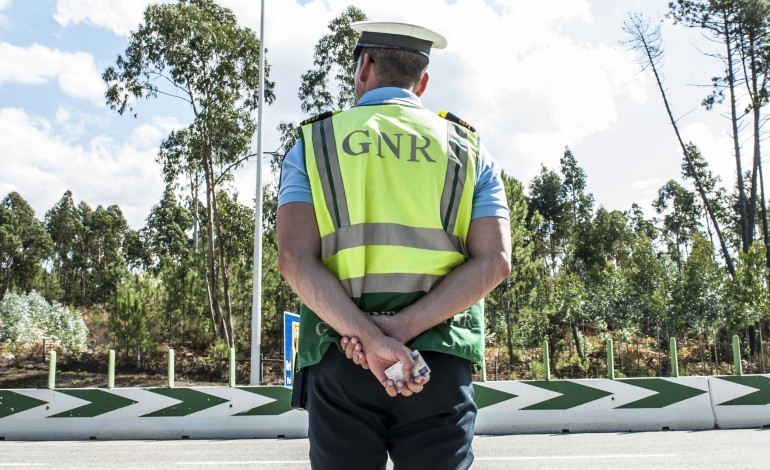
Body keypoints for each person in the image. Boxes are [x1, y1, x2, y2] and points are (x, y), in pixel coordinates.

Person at [277, 20, 511, 470]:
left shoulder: (316, 144)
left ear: (364, 66)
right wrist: (400, 332)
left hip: (341, 352)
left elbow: (294, 259)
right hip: (437, 359)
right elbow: (496, 260)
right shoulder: (470, 151)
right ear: (421, 82)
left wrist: (368, 337)